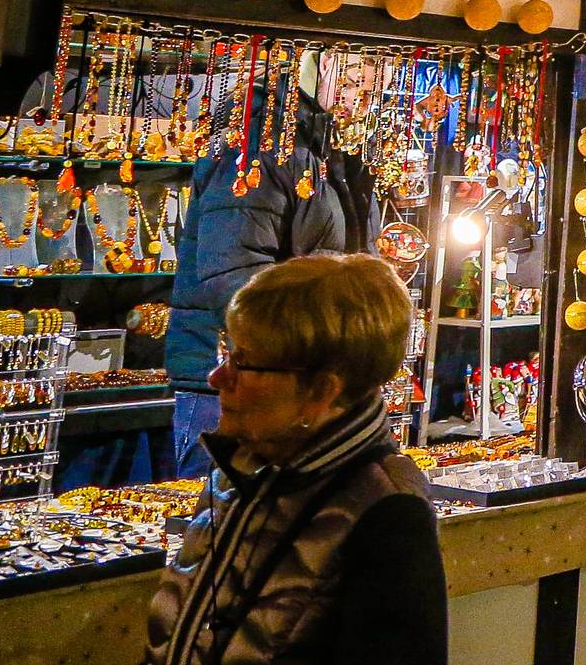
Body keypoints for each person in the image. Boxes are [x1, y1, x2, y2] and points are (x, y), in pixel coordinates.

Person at [147, 253, 445, 665]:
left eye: (243, 362)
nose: (217, 378)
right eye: (227, 353)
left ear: (320, 391)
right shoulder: (241, 465)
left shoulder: (387, 513)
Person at [170, 79, 350, 478]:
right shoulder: (264, 142)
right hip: (241, 385)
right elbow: (235, 278)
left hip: (283, 379)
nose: (374, 86)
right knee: (222, 522)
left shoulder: (317, 143)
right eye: (356, 74)